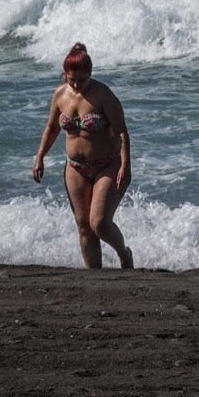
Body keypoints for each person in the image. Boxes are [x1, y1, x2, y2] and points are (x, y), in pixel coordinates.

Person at [32, 42, 134, 269]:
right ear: (65, 75)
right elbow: (51, 128)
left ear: (91, 74)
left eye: (82, 80)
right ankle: (94, 276)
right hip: (75, 167)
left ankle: (124, 253)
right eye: (72, 80)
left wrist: (125, 165)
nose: (77, 85)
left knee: (98, 223)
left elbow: (121, 132)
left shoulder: (103, 95)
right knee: (83, 225)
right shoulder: (59, 95)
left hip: (107, 165)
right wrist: (40, 156)